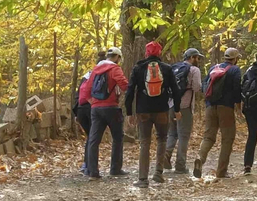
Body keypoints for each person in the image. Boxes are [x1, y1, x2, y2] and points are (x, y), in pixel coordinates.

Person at [124, 40, 180, 188]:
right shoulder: (167, 68)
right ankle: (158, 173)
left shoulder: (138, 68)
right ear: (159, 53)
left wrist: (129, 112)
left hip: (143, 111)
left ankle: (143, 179)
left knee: (145, 143)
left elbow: (130, 91)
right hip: (162, 109)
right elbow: (175, 90)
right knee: (162, 139)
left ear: (146, 53)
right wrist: (178, 109)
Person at [193, 48, 242, 180]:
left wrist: (208, 100)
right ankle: (221, 171)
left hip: (210, 107)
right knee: (227, 138)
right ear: (235, 58)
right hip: (226, 107)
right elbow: (237, 88)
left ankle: (200, 158)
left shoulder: (213, 68)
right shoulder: (235, 70)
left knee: (208, 137)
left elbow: (204, 84)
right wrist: (238, 105)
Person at [82, 48, 128, 180]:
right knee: (118, 137)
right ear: (117, 58)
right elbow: (124, 85)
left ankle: (93, 172)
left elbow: (86, 90)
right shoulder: (114, 69)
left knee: (93, 140)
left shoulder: (96, 69)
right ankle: (115, 169)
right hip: (112, 108)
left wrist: (93, 103)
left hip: (96, 109)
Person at [165, 48, 203, 174]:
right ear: (192, 58)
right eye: (197, 58)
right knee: (184, 136)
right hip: (184, 107)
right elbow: (197, 87)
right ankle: (180, 165)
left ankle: (166, 156)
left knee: (172, 133)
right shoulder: (194, 70)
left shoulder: (174, 68)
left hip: (171, 105)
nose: (198, 60)